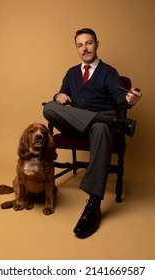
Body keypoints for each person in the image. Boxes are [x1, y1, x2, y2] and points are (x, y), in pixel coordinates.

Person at [43, 28, 142, 238]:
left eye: (88, 43)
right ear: (77, 49)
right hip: (77, 124)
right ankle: (114, 121)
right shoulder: (71, 73)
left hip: (99, 129)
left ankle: (93, 205)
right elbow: (61, 95)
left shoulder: (108, 71)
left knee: (100, 127)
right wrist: (60, 95)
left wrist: (129, 99)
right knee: (49, 108)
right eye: (80, 45)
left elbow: (119, 96)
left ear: (97, 44)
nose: (84, 48)